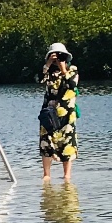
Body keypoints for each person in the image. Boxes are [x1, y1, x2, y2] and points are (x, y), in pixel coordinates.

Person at [38, 42, 79, 182]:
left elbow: (72, 86)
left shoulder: (72, 70)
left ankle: (67, 175)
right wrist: (48, 64)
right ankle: (46, 174)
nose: (57, 59)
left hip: (67, 114)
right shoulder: (47, 71)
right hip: (49, 113)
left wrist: (63, 69)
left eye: (60, 56)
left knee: (67, 143)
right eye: (54, 55)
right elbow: (38, 80)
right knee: (46, 142)